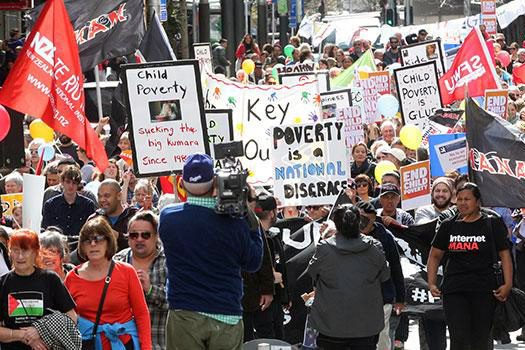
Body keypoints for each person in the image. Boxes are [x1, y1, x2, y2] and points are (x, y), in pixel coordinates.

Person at [159, 153, 263, 350]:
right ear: (216, 181)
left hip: (185, 311)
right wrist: (249, 215)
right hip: (226, 313)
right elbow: (254, 262)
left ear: (182, 182)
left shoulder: (168, 218)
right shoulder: (235, 223)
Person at [427, 183, 512, 350]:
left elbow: (505, 255)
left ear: (478, 202)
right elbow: (435, 255)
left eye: (467, 199)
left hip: (485, 290)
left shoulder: (492, 224)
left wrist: (507, 284)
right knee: (458, 338)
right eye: (459, 199)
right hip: (454, 289)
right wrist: (431, 282)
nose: (463, 203)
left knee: (480, 338)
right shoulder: (448, 225)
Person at [307, 204, 390, 349]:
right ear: (359, 222)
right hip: (365, 325)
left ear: (336, 224)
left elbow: (312, 272)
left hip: (331, 324)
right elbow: (385, 275)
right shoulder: (374, 247)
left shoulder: (324, 248)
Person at [64, 216, 152, 350]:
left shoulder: (126, 271)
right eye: (88, 240)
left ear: (108, 242)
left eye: (98, 239)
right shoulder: (72, 277)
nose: (93, 244)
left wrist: (146, 347)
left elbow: (141, 314)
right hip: (88, 345)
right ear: (82, 246)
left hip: (123, 343)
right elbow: (68, 319)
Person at [0, 229, 77, 350]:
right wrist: (22, 335)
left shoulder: (50, 279)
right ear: (10, 253)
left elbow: (72, 317)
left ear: (36, 252)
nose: (20, 256)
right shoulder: (3, 283)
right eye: (16, 250)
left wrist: (40, 330)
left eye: (25, 251)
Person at [115, 211, 168, 350]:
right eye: (133, 235)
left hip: (157, 343)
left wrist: (150, 290)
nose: (139, 239)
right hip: (122, 343)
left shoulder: (169, 262)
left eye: (145, 235)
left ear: (156, 236)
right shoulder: (116, 262)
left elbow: (178, 304)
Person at [356, 201, 405, 350]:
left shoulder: (385, 236)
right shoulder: (344, 235)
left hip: (382, 296)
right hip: (354, 298)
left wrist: (400, 299)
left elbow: (396, 267)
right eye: (360, 219)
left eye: (367, 220)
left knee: (382, 338)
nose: (364, 224)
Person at [41, 165, 96, 237]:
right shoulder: (50, 205)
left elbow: (91, 230)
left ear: (78, 184)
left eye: (74, 183)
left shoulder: (88, 205)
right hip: (57, 244)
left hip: (79, 244)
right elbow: (45, 230)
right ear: (62, 182)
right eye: (68, 182)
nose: (71, 186)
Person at [92, 179, 138, 252]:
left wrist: (117, 236)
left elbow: (140, 242)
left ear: (119, 196)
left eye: (106, 196)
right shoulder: (94, 219)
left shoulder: (134, 216)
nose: (102, 200)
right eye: (99, 196)